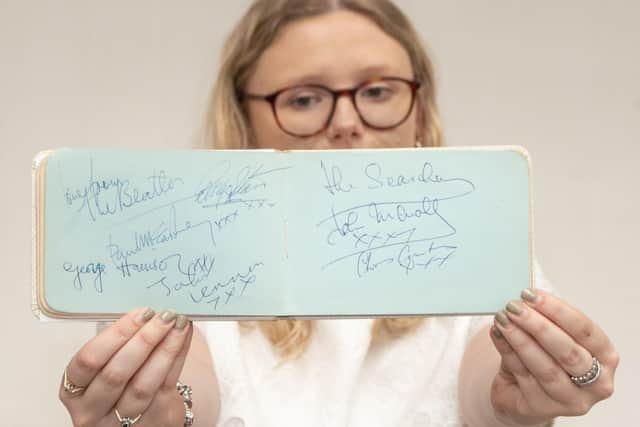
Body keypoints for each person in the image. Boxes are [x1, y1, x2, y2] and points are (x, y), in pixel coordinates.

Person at [58, 1, 618, 426]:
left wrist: (524, 397)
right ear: (244, 120)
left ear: (419, 112)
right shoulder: (178, 252)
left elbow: (487, 388)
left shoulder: (480, 247)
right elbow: (189, 391)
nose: (347, 121)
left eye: (377, 91)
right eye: (304, 99)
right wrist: (156, 407)